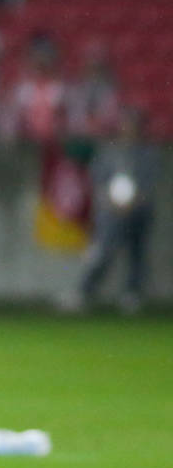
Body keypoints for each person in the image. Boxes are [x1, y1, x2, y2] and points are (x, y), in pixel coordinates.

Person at [65, 106, 160, 313]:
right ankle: (84, 291)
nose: (129, 129)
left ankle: (132, 293)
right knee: (102, 252)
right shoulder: (109, 151)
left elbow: (150, 183)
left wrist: (133, 202)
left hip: (139, 212)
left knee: (137, 253)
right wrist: (110, 201)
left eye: (134, 125)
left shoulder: (149, 153)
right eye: (126, 124)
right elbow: (97, 180)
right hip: (110, 212)